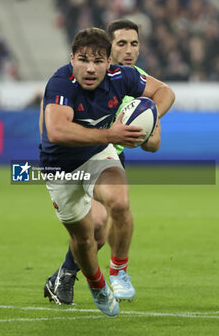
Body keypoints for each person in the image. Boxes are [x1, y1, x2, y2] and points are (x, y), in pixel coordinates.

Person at [41, 26, 175, 316]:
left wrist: (146, 117)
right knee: (85, 237)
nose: (90, 68)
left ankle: (118, 272)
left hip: (97, 156)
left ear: (108, 63)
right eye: (83, 60)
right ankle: (96, 284)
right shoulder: (60, 83)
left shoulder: (121, 76)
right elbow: (57, 130)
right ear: (72, 58)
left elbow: (165, 91)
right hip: (60, 168)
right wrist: (111, 135)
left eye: (98, 61)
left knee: (118, 202)